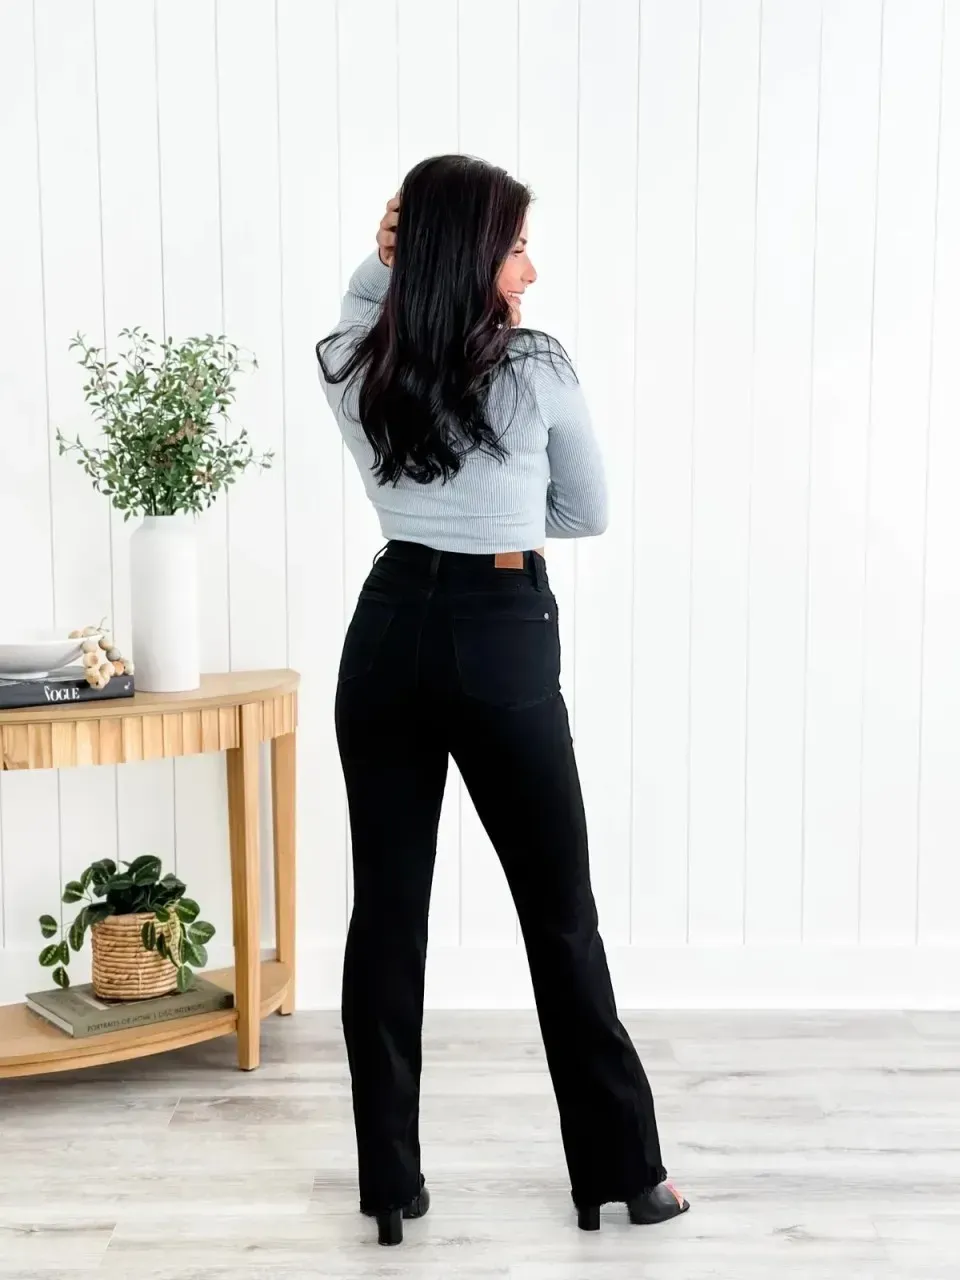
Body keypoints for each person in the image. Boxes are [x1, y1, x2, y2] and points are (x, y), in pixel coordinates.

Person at [316, 154, 689, 1247]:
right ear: (473, 255)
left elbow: (360, 305)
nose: (531, 268)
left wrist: (384, 258)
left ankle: (389, 1184)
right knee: (560, 912)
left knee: (387, 914)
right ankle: (625, 1175)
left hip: (386, 632)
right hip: (501, 632)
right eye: (517, 246)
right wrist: (505, 511)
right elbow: (587, 511)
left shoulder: (352, 360)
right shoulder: (537, 366)